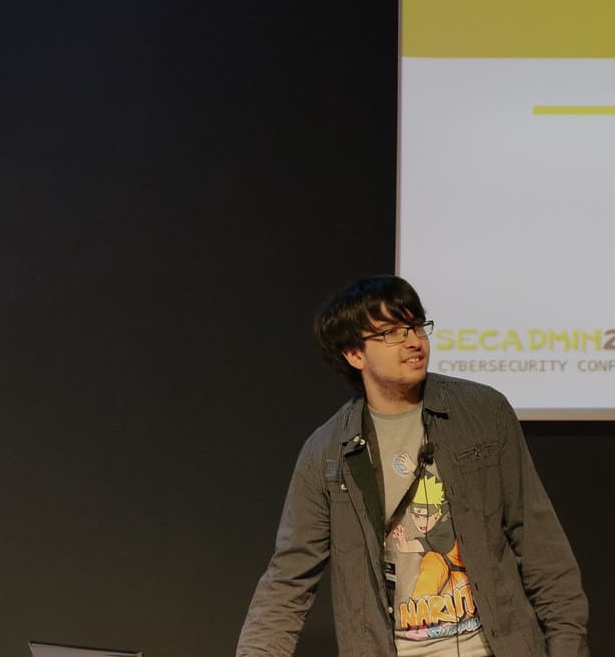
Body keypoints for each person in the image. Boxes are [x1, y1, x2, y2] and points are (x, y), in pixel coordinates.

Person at [237, 275, 589, 657]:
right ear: (354, 354)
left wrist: (567, 646)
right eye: (392, 332)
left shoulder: (484, 413)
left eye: (417, 325)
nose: (413, 341)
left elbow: (540, 546)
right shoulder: (326, 453)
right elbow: (288, 580)